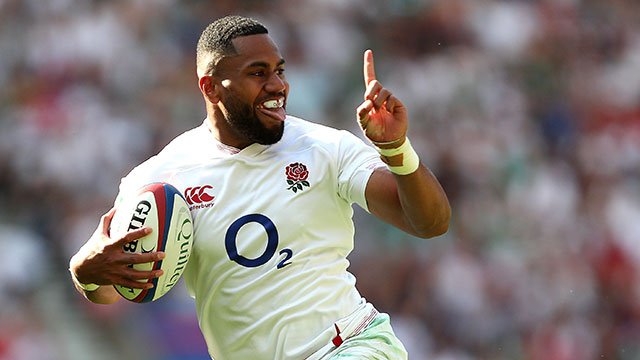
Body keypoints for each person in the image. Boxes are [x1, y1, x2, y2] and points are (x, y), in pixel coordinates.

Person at [69, 15, 450, 360]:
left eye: (280, 70)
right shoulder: (160, 180)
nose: (277, 85)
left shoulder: (323, 147)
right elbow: (109, 290)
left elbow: (430, 223)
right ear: (212, 88)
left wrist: (395, 148)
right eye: (258, 73)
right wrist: (88, 271)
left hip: (351, 344)